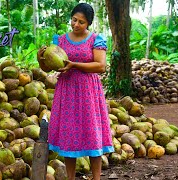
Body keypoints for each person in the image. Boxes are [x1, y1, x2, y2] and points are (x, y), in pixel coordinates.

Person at [37, 3, 114, 180]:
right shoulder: (61, 40)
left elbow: (100, 66)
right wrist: (40, 59)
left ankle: (96, 178)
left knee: (92, 134)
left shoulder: (96, 39)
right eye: (74, 20)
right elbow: (48, 68)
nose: (76, 24)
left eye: (81, 22)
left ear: (88, 24)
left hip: (88, 92)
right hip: (67, 91)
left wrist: (75, 65)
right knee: (68, 136)